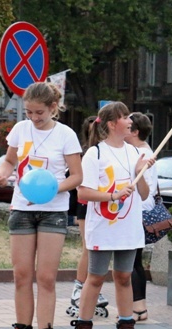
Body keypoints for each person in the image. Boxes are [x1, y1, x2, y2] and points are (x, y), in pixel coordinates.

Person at [0, 82, 83, 329]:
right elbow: (10, 160)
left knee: (45, 278)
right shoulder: (20, 129)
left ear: (54, 107)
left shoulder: (65, 135)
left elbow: (77, 177)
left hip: (52, 211)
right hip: (21, 210)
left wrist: (49, 189)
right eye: (29, 112)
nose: (34, 117)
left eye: (39, 112)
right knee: (21, 276)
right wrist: (4, 174)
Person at [72, 102, 155, 329]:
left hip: (128, 228)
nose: (130, 120)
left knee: (123, 276)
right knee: (95, 278)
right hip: (103, 227)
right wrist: (112, 196)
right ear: (111, 124)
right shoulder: (95, 154)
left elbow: (143, 194)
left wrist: (140, 171)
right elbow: (83, 194)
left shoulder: (133, 153)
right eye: (124, 117)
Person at [66, 116, 109, 318]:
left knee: (99, 248)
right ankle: (79, 288)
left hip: (105, 206)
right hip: (87, 205)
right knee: (88, 248)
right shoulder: (87, 154)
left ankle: (93, 288)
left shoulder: (108, 152)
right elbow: (76, 184)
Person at [126, 113, 156, 322]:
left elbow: (144, 188)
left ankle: (139, 307)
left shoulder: (141, 154)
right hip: (140, 210)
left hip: (138, 211)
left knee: (133, 260)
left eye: (128, 126)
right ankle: (138, 306)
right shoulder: (144, 151)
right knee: (134, 259)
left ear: (135, 132)